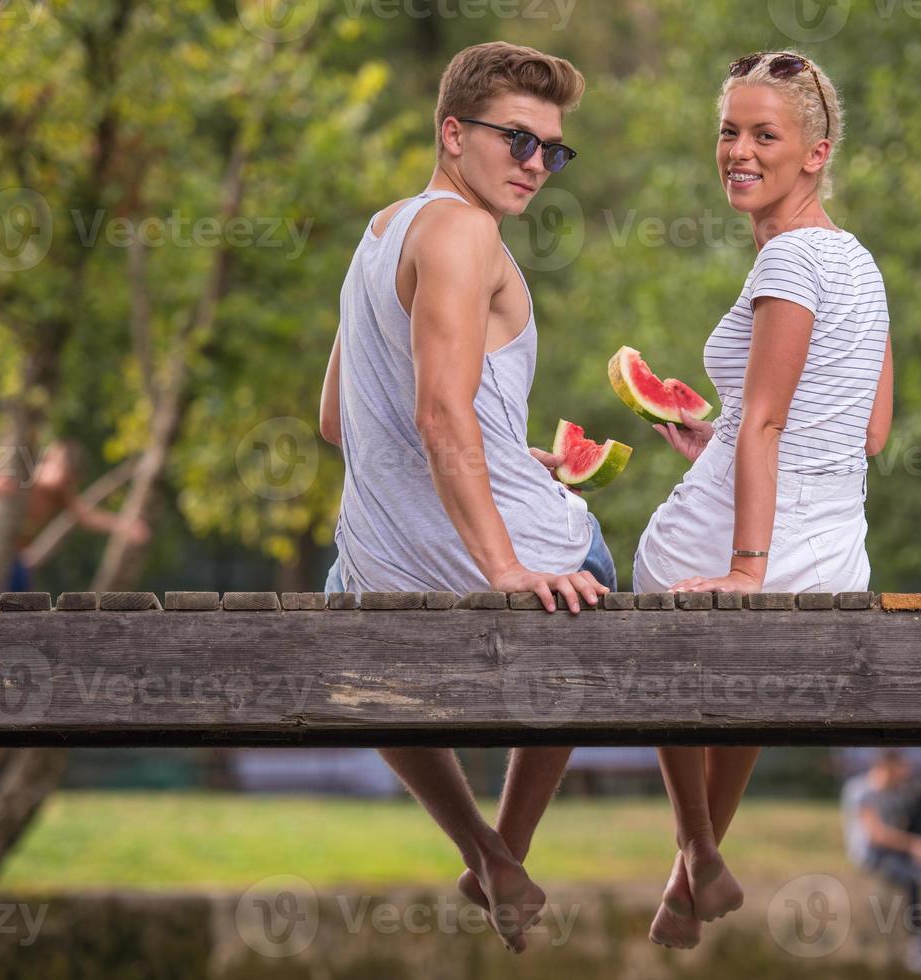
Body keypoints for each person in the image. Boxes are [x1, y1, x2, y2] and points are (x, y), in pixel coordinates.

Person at [316, 42, 613, 952]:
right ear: (453, 132)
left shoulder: (382, 233)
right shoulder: (463, 232)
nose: (535, 165)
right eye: (516, 140)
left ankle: (486, 851)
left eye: (552, 151)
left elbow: (336, 418)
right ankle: (506, 847)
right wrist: (505, 567)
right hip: (508, 555)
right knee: (591, 574)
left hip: (373, 576)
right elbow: (440, 409)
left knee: (343, 610)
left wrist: (499, 450)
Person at [630, 50, 894, 950]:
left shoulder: (790, 263)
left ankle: (697, 851)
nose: (738, 151)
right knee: (738, 687)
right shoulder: (858, 263)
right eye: (728, 131)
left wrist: (747, 569)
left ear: (814, 154)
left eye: (764, 135)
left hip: (754, 551)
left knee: (669, 599)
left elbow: (770, 423)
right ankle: (689, 877)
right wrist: (719, 438)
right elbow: (868, 431)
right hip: (836, 560)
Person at [0, 439, 150, 590]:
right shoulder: (23, 480)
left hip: (18, 560)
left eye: (69, 479)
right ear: (49, 461)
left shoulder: (59, 494)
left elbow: (87, 517)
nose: (64, 482)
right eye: (63, 472)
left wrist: (123, 525)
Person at [841, 750, 921, 972]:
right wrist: (914, 844)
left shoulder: (896, 791)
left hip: (891, 850)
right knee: (914, 876)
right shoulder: (863, 791)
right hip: (871, 854)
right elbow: (876, 835)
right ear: (886, 768)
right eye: (899, 773)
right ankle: (919, 939)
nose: (903, 779)